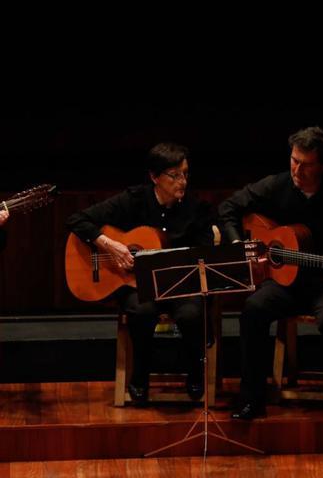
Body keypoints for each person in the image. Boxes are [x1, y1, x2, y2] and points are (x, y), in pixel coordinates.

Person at [218, 126, 323, 419]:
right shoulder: (275, 185)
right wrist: (238, 244)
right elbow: (228, 207)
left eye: (306, 164)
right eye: (294, 160)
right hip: (284, 283)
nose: (297, 169)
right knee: (253, 308)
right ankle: (252, 397)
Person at [66, 143, 215, 404]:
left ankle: (195, 373)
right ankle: (140, 375)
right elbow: (77, 220)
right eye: (174, 175)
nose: (182, 181)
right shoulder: (133, 200)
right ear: (155, 177)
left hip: (180, 285)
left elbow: (204, 254)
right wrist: (109, 244)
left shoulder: (197, 209)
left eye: (185, 174)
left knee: (191, 315)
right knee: (141, 311)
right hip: (138, 286)